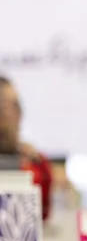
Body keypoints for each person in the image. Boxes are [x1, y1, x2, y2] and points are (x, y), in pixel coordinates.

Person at [0, 77, 52, 220]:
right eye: (10, 107)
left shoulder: (34, 162)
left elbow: (42, 215)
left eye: (17, 106)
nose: (17, 114)